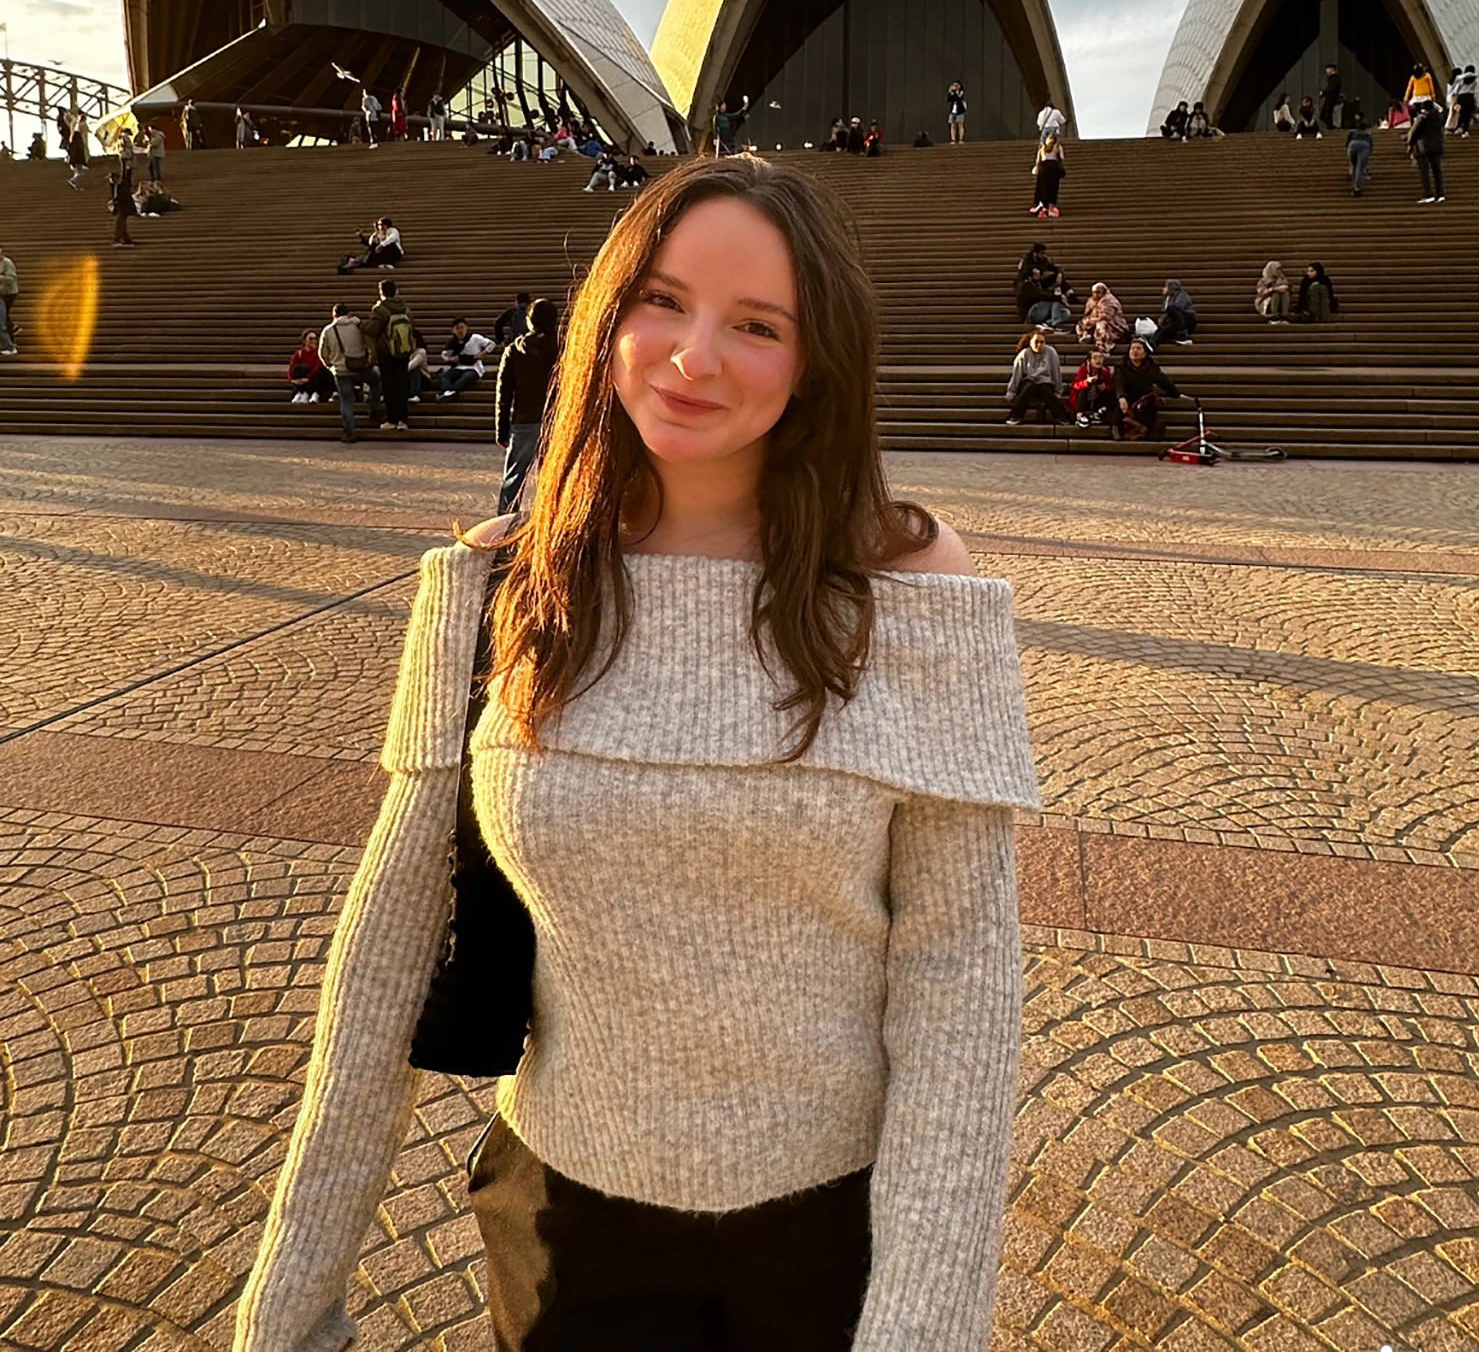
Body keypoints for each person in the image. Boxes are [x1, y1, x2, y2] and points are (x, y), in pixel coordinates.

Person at [234, 155, 1035, 1352]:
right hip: (567, 1231)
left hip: (835, 1235)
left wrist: (918, 1329)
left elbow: (960, 993)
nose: (693, 354)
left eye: (756, 324)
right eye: (660, 300)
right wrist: (288, 1309)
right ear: (605, 318)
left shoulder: (911, 590)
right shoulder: (502, 581)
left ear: (817, 360)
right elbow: (386, 951)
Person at [495, 296, 560, 512]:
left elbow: (504, 394)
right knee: (554, 477)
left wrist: (501, 429)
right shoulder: (565, 349)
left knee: (514, 477)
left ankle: (504, 524)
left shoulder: (514, 351)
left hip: (524, 419)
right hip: (557, 420)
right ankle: (552, 518)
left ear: (529, 321)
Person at [318, 302, 384, 442]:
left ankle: (349, 432)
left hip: (341, 370)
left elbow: (323, 353)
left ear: (334, 315)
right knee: (376, 381)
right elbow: (370, 346)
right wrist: (370, 362)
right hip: (360, 367)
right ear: (348, 313)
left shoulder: (328, 330)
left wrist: (330, 366)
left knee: (346, 401)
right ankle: (375, 409)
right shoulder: (357, 327)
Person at [365, 279, 416, 431]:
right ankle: (403, 420)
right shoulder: (405, 308)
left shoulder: (380, 309)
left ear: (381, 293)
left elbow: (372, 329)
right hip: (404, 350)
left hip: (387, 352)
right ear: (396, 291)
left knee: (389, 386)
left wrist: (360, 324)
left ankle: (392, 419)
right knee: (401, 385)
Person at [1113, 340, 1181, 440]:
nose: (1135, 351)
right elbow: (1118, 383)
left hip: (1143, 399)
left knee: (1156, 422)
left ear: (1145, 354)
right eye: (1132, 348)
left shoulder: (1152, 367)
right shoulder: (1121, 366)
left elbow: (1163, 381)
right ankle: (1115, 428)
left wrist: (1176, 394)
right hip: (1126, 396)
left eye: (1138, 348)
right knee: (1119, 406)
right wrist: (1121, 396)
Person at [1006, 328, 1066, 425]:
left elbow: (1056, 372)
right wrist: (1011, 391)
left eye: (1042, 342)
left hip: (1045, 381)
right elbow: (1017, 373)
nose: (1039, 345)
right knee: (1028, 387)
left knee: (1046, 390)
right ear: (1030, 342)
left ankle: (1061, 417)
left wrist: (1058, 391)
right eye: (1036, 342)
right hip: (1028, 381)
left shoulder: (1051, 352)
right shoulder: (1024, 354)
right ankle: (1015, 416)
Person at [437, 319, 494, 398]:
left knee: (466, 377)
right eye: (457, 328)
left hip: (474, 367)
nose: (460, 330)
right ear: (453, 330)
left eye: (462, 327)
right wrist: (450, 359)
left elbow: (492, 344)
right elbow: (445, 354)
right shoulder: (453, 342)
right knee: (444, 375)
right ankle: (447, 390)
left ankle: (452, 391)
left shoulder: (475, 338)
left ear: (466, 328)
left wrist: (483, 353)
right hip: (459, 367)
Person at [1408, 99, 1446, 203]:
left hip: (1423, 148)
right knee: (1437, 171)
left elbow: (1413, 133)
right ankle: (1440, 194)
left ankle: (1428, 194)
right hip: (1437, 147)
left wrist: (1410, 143)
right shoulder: (1439, 118)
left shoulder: (1422, 118)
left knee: (1425, 172)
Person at [1077, 282, 1129, 353]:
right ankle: (1086, 335)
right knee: (1081, 323)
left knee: (1101, 325)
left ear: (1104, 292)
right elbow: (1087, 314)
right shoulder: (1091, 300)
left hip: (1113, 324)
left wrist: (1092, 320)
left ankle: (1103, 346)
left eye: (1098, 292)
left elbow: (1106, 317)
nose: (1096, 295)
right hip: (1095, 321)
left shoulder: (1110, 301)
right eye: (1094, 292)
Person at [337, 217, 404, 273]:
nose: (380, 227)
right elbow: (370, 243)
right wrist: (375, 234)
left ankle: (354, 261)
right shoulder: (380, 233)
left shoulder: (393, 230)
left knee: (386, 246)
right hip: (381, 255)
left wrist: (381, 245)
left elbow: (392, 238)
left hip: (394, 252)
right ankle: (348, 266)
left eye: (381, 225)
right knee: (371, 250)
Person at [287, 330, 336, 404]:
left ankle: (310, 393)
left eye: (315, 338)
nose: (313, 341)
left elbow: (317, 366)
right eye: (311, 338)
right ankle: (299, 393)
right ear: (304, 340)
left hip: (314, 379)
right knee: (297, 368)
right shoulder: (299, 353)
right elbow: (291, 367)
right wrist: (291, 379)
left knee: (319, 371)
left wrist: (308, 378)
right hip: (303, 377)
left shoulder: (318, 353)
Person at [1014, 242, 1058, 323]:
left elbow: (1056, 268)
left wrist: (1059, 274)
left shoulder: (1034, 284)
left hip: (1033, 305)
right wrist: (1059, 297)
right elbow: (1041, 295)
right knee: (1052, 301)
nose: (1044, 256)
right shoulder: (1027, 287)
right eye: (1042, 253)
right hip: (1029, 315)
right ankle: (1053, 322)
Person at [1069, 351, 1114, 428]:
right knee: (1083, 389)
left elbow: (1110, 388)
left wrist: (1104, 388)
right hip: (1082, 399)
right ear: (1089, 361)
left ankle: (1098, 413)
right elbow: (1075, 385)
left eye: (1100, 357)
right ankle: (1080, 414)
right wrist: (1087, 382)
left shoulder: (1105, 372)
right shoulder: (1083, 370)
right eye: (1095, 358)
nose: (1098, 360)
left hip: (1096, 399)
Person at [1031, 132, 1065, 217]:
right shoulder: (1058, 147)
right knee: (1053, 188)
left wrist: (1037, 169)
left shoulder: (1042, 148)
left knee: (1043, 187)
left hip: (1044, 167)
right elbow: (1062, 158)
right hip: (1053, 167)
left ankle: (1041, 206)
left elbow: (1038, 161)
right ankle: (1050, 210)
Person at [1339, 110, 1372, 195]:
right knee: (1359, 166)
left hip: (1352, 145)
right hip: (1364, 145)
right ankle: (1356, 187)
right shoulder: (1367, 134)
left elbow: (1347, 143)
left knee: (1354, 165)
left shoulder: (1352, 132)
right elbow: (1371, 145)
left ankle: (1353, 180)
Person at [1156, 278, 1197, 346]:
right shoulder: (1168, 299)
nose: (1163, 289)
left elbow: (1177, 309)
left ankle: (1183, 335)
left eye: (1165, 286)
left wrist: (1165, 317)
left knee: (1171, 309)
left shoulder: (1182, 295)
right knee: (1162, 331)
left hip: (1187, 320)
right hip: (1175, 323)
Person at [1449, 65, 1479, 136]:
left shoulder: (1461, 78)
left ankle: (1459, 127)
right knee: (1468, 114)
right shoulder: (1477, 78)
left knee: (1461, 113)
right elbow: (1478, 90)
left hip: (1461, 97)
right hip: (1470, 97)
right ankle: (1465, 130)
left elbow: (1456, 89)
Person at [108, 170, 138, 247]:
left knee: (119, 223)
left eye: (111, 178)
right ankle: (127, 239)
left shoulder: (123, 185)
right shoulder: (114, 186)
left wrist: (116, 201)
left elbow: (125, 197)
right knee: (122, 224)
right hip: (119, 206)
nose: (110, 180)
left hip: (124, 207)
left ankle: (117, 239)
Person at [65, 112, 91, 188]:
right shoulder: (81, 126)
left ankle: (75, 183)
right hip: (77, 160)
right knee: (81, 172)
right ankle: (73, 180)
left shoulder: (72, 141)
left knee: (78, 172)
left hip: (73, 161)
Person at [0, 246, 18, 356]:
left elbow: (12, 278)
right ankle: (11, 332)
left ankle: (10, 344)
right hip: (2, 293)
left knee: (3, 317)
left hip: (9, 293)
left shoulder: (7, 263)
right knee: (3, 317)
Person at [1318, 65, 1342, 131]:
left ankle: (1331, 126)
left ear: (1332, 69)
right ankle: (1331, 126)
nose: (1327, 72)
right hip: (1328, 98)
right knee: (1324, 114)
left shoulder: (1336, 78)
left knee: (1328, 113)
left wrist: (1324, 92)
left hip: (1332, 98)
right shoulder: (1331, 79)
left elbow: (1332, 88)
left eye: (1328, 70)